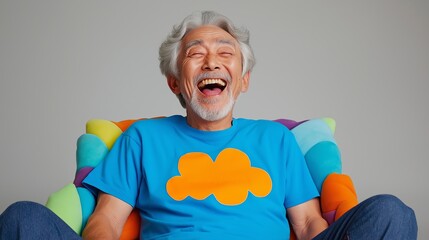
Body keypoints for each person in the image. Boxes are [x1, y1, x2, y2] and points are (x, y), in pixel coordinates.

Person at [0, 11, 417, 240]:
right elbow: (105, 221)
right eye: (195, 53)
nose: (212, 61)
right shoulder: (142, 139)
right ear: (176, 81)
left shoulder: (275, 140)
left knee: (391, 213)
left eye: (225, 53)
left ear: (243, 79)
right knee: (22, 219)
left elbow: (308, 224)